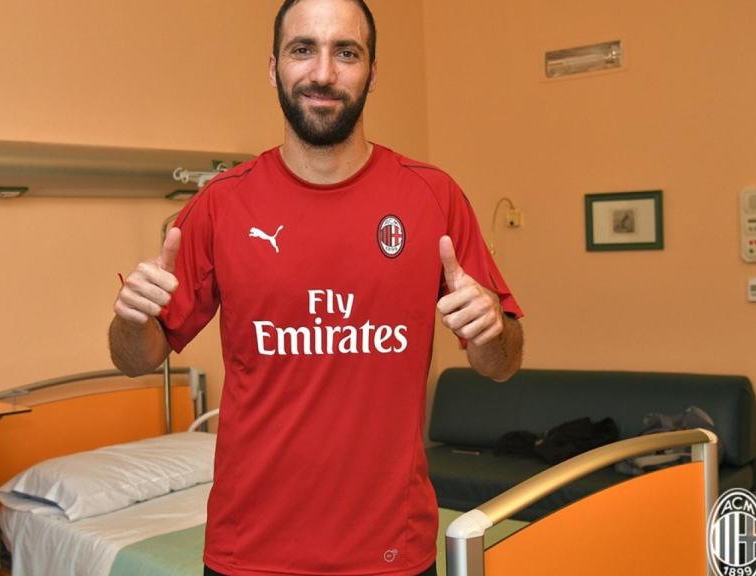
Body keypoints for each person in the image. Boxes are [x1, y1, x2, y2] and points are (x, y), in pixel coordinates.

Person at [108, 0, 524, 574]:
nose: (323, 72)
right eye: (303, 49)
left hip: (391, 552)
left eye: (345, 52)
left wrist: (491, 330)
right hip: (248, 552)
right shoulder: (221, 207)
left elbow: (501, 364)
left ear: (372, 72)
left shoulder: (434, 198)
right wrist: (131, 321)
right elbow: (136, 360)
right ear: (274, 66)